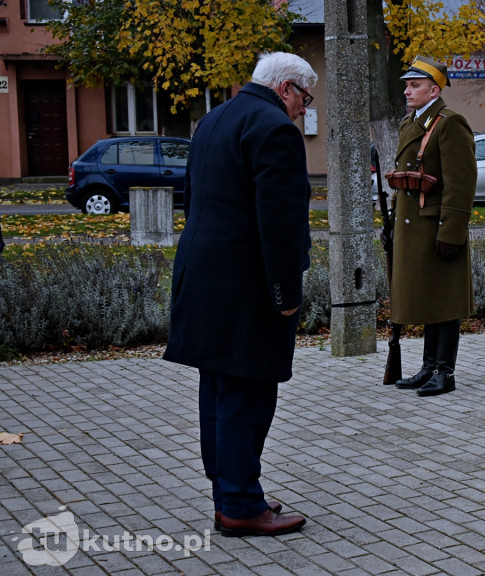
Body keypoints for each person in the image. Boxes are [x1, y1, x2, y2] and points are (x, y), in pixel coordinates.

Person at [163, 52, 315, 537]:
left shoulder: (214, 119)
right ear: (287, 87)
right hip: (248, 288)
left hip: (206, 278)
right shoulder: (274, 128)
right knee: (247, 398)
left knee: (219, 393)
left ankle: (228, 495)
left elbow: (196, 199)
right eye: (305, 100)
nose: (303, 112)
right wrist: (285, 293)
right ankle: (243, 506)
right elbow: (281, 224)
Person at [385, 55, 477, 397]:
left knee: (444, 301)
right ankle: (427, 368)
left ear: (434, 89)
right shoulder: (412, 122)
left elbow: (461, 183)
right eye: (407, 85)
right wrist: (393, 222)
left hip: (438, 226)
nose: (407, 91)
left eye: (415, 85)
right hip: (413, 226)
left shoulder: (451, 124)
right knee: (427, 298)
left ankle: (444, 372)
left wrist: (452, 231)